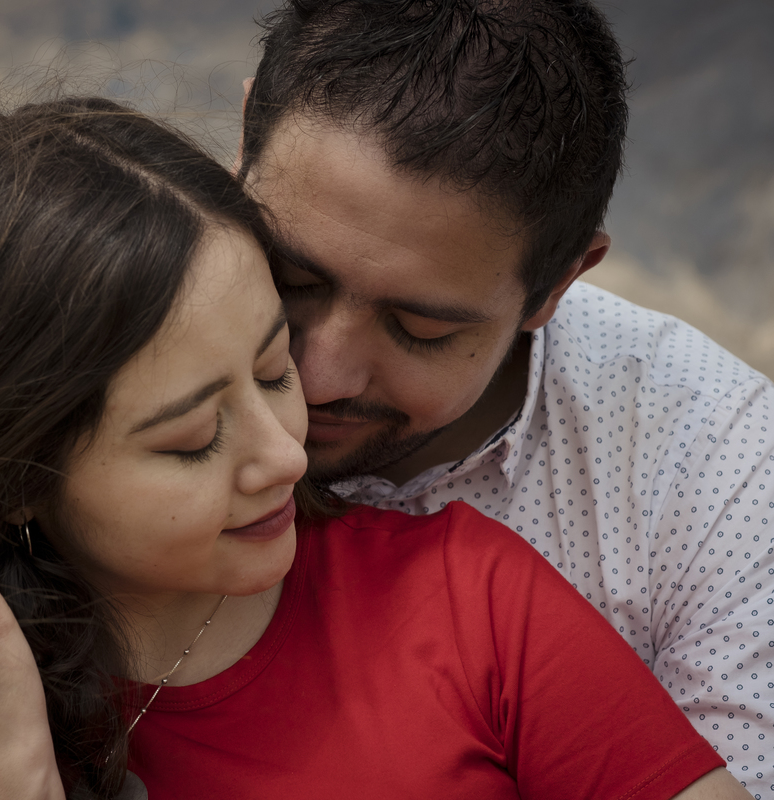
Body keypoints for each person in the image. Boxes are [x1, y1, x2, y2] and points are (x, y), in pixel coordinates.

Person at [0, 97, 748, 799]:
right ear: (18, 476)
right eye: (195, 438)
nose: (287, 454)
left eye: (273, 369)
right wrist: (6, 772)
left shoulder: (472, 598)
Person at [233, 0, 774, 788]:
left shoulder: (726, 478)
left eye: (419, 329)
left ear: (557, 284)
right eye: (292, 279)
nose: (317, 377)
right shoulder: (89, 328)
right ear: (247, 137)